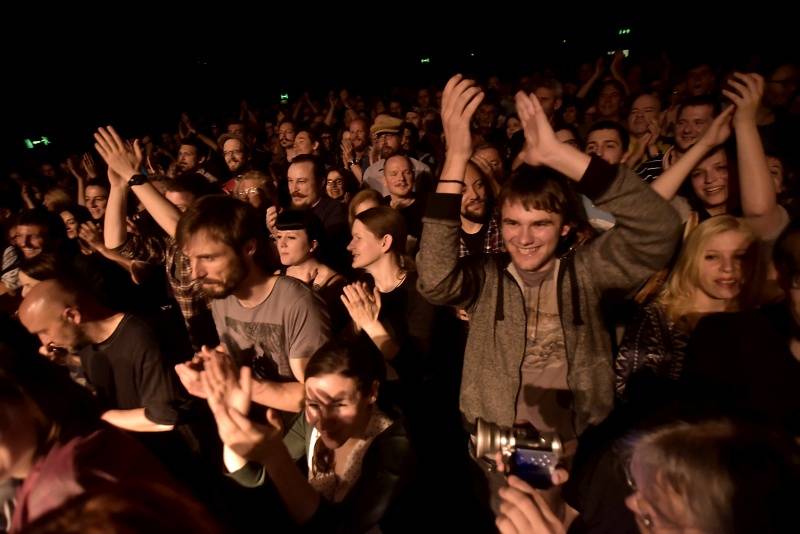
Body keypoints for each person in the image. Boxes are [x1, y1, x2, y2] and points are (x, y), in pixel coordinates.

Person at [204, 344, 415, 533]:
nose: (323, 421)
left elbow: (342, 527)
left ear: (371, 392)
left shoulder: (395, 445)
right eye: (313, 404)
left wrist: (276, 456)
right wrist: (231, 419)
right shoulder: (310, 426)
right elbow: (254, 478)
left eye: (338, 405)